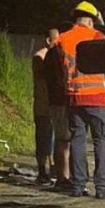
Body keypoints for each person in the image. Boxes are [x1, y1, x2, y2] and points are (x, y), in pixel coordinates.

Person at [55, 1, 105, 199]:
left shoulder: (63, 38)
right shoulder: (97, 37)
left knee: (77, 140)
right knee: (102, 140)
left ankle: (78, 185)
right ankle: (102, 187)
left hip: (74, 97)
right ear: (91, 21)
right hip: (97, 98)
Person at [43, 28, 72, 188]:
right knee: (64, 140)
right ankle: (63, 177)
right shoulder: (56, 54)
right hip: (61, 100)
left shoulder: (51, 54)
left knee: (64, 140)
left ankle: (64, 176)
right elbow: (61, 78)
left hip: (57, 100)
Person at [32, 29, 59, 184]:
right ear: (49, 40)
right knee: (43, 139)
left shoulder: (54, 57)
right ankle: (43, 171)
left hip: (54, 106)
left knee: (54, 139)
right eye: (55, 39)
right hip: (43, 106)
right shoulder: (40, 57)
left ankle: (54, 169)